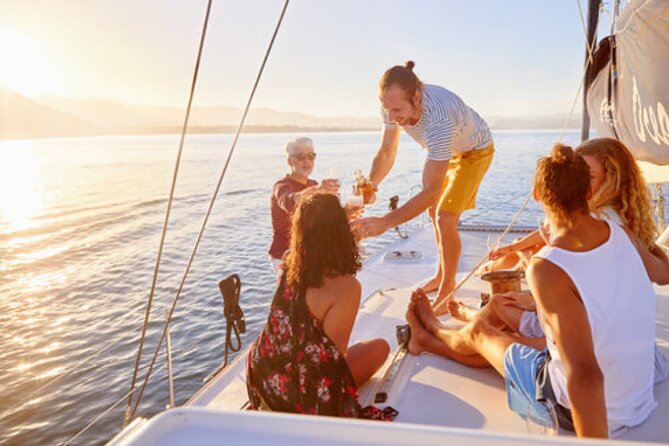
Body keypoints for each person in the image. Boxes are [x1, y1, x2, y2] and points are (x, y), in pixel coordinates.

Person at [406, 144, 662, 438]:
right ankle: (428, 336)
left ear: (537, 194)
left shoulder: (546, 268)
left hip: (591, 412)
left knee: (480, 331)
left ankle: (429, 336)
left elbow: (585, 374)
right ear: (588, 193)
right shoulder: (622, 233)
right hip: (638, 400)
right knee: (511, 345)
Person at [354, 61, 494, 313]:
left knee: (444, 217)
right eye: (387, 109)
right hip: (448, 151)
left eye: (397, 110)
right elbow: (387, 151)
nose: (392, 117)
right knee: (433, 213)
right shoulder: (391, 105)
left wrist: (386, 222)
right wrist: (373, 183)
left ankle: (448, 286)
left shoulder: (438, 119)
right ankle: (441, 275)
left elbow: (431, 190)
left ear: (417, 98)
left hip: (475, 150)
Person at [248, 193, 396, 420]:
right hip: (300, 394)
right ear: (341, 231)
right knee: (380, 348)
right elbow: (334, 356)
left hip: (262, 371)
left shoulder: (288, 261)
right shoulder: (347, 288)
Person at [269, 137, 339, 272]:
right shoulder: (282, 186)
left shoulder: (313, 184)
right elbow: (290, 202)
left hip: (309, 253)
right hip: (285, 255)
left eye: (311, 156)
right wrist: (318, 190)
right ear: (289, 161)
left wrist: (350, 209)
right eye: (301, 157)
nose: (307, 161)